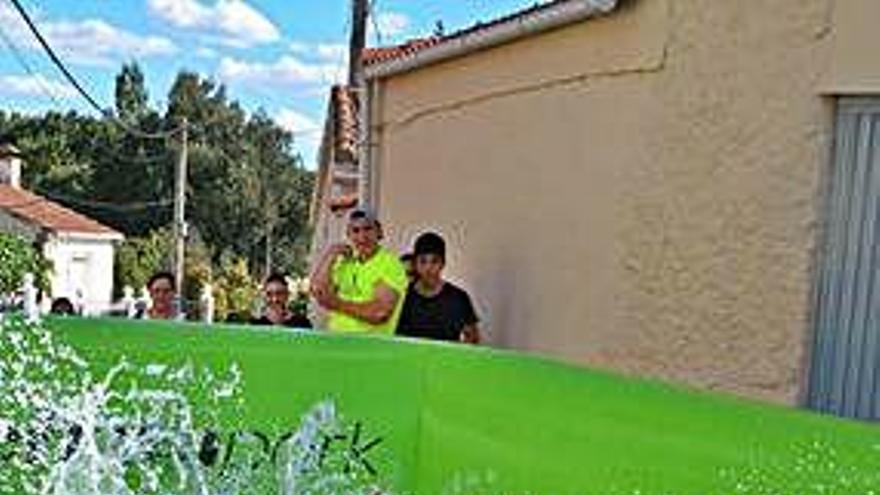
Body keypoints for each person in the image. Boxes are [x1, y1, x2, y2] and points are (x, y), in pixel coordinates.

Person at [310, 208, 408, 334]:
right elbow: (317, 290)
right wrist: (331, 254)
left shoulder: (391, 265)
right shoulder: (345, 262)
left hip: (370, 348)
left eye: (368, 229)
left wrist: (336, 303)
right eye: (355, 231)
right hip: (337, 343)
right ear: (348, 235)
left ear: (379, 232)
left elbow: (380, 313)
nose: (362, 237)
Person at [396, 232, 481, 344]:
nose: (428, 268)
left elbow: (473, 337)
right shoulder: (402, 295)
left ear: (443, 264)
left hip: (446, 361)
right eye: (423, 261)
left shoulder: (458, 298)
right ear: (415, 263)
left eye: (434, 261)